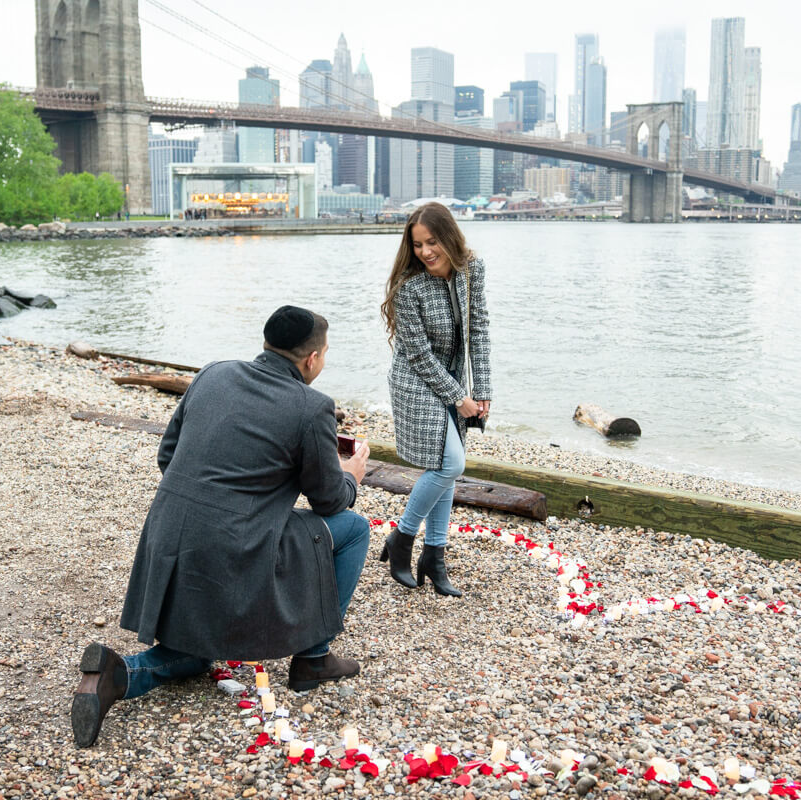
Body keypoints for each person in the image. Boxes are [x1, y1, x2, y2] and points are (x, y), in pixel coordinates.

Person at [71, 306, 371, 748]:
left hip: (168, 536)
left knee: (194, 655)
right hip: (234, 548)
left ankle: (116, 675)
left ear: (267, 342)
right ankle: (315, 658)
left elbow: (167, 456)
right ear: (311, 360)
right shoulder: (312, 406)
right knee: (355, 528)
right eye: (324, 354)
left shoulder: (213, 373)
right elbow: (328, 500)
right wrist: (351, 475)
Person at [379, 203, 491, 597]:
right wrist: (458, 397)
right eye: (418, 244)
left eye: (432, 242)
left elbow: (479, 330)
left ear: (449, 237)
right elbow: (419, 356)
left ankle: (434, 557)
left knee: (447, 467)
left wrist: (483, 391)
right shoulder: (408, 288)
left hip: (454, 382)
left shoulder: (471, 269)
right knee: (452, 463)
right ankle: (402, 539)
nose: (426, 251)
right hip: (415, 382)